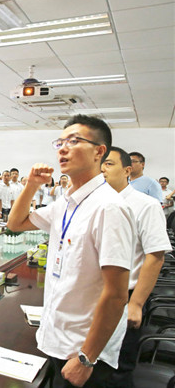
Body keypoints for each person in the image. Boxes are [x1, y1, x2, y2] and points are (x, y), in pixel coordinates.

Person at [8, 115, 133, 387]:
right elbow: (15, 224)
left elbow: (116, 294)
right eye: (60, 142)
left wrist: (86, 358)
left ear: (99, 152)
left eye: (74, 141)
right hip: (57, 338)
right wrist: (32, 185)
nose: (63, 149)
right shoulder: (65, 203)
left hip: (84, 350)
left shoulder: (109, 207)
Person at [101, 146, 171, 387]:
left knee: (119, 366)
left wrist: (137, 304)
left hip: (126, 296)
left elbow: (155, 256)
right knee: (94, 363)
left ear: (127, 170)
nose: (102, 169)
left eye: (109, 164)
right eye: (100, 164)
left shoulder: (146, 205)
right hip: (96, 294)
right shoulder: (97, 203)